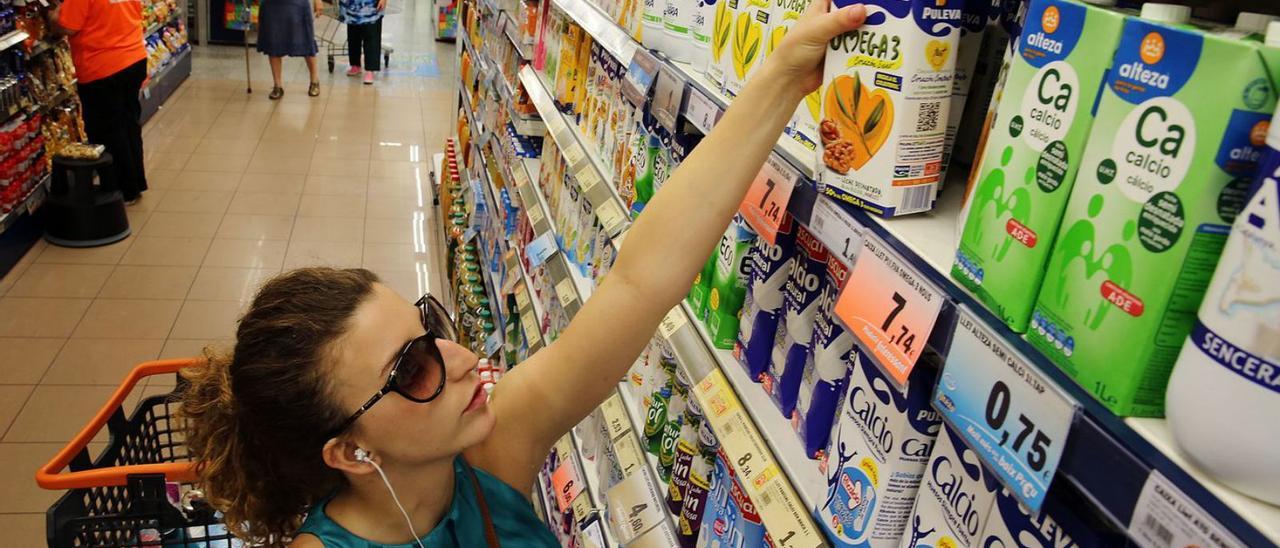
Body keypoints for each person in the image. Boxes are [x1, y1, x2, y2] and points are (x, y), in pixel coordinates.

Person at [181, 1, 867, 545]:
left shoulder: (489, 449)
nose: (458, 358)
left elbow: (639, 282)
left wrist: (780, 79)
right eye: (413, 369)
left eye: (431, 328)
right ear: (353, 453)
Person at [50, 0, 148, 203]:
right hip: (134, 57)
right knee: (129, 125)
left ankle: (120, 190)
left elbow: (67, 26)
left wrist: (52, 14)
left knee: (108, 132)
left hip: (102, 66)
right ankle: (135, 183)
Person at [258, 0, 324, 99]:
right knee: (273, 41)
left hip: (298, 4)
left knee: (306, 40)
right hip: (271, 4)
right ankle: (277, 85)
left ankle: (314, 80)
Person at [340, 0, 385, 85]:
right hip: (351, 4)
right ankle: (355, 64)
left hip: (372, 5)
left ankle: (370, 69)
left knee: (371, 32)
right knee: (353, 31)